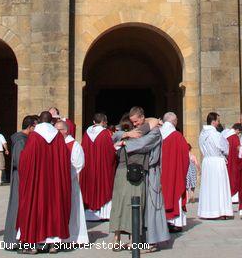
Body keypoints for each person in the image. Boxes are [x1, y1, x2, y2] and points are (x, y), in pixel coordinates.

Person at [111, 107, 169, 251]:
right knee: (141, 209)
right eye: (132, 122)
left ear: (142, 118)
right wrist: (127, 133)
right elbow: (115, 133)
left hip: (152, 172)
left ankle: (152, 242)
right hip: (143, 173)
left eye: (136, 122)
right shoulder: (142, 128)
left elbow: (142, 144)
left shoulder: (155, 132)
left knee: (151, 208)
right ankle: (140, 240)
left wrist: (124, 142)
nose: (135, 125)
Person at [16, 110, 71, 248]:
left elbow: (25, 160)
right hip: (54, 181)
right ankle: (53, 244)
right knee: (54, 207)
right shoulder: (58, 136)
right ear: (51, 120)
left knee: (36, 206)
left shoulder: (34, 136)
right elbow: (65, 158)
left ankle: (33, 243)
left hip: (37, 181)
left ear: (39, 120)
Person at [3, 115, 36, 250]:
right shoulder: (20, 141)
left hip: (23, 177)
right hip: (20, 178)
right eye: (35, 126)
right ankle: (13, 240)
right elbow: (19, 161)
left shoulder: (25, 139)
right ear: (29, 127)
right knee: (17, 207)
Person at [56, 119, 89, 247]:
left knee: (73, 210)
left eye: (58, 129)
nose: (56, 132)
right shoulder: (55, 143)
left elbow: (79, 164)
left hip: (70, 182)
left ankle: (74, 236)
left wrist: (66, 175)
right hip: (58, 184)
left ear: (65, 130)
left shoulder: (74, 145)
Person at [80, 112, 115, 222]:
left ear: (94, 122)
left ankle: (90, 212)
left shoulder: (86, 133)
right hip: (102, 167)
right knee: (103, 184)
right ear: (104, 122)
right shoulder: (105, 133)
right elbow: (110, 152)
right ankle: (104, 213)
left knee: (89, 186)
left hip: (89, 168)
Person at [197, 112, 232, 219]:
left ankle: (207, 211)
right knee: (218, 187)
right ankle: (220, 211)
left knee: (208, 187)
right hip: (217, 161)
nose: (218, 123)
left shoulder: (202, 134)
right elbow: (225, 148)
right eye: (218, 121)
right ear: (213, 122)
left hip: (207, 161)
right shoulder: (215, 134)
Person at [160, 112, 190, 231]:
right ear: (173, 121)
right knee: (175, 193)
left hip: (160, 173)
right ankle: (175, 222)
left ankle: (162, 222)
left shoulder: (157, 134)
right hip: (175, 173)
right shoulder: (177, 136)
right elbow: (185, 157)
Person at [222, 124, 241, 203]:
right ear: (236, 130)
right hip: (234, 161)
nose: (239, 134)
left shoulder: (224, 135)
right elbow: (238, 149)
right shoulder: (234, 137)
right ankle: (234, 197)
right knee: (234, 178)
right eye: (239, 132)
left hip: (226, 161)